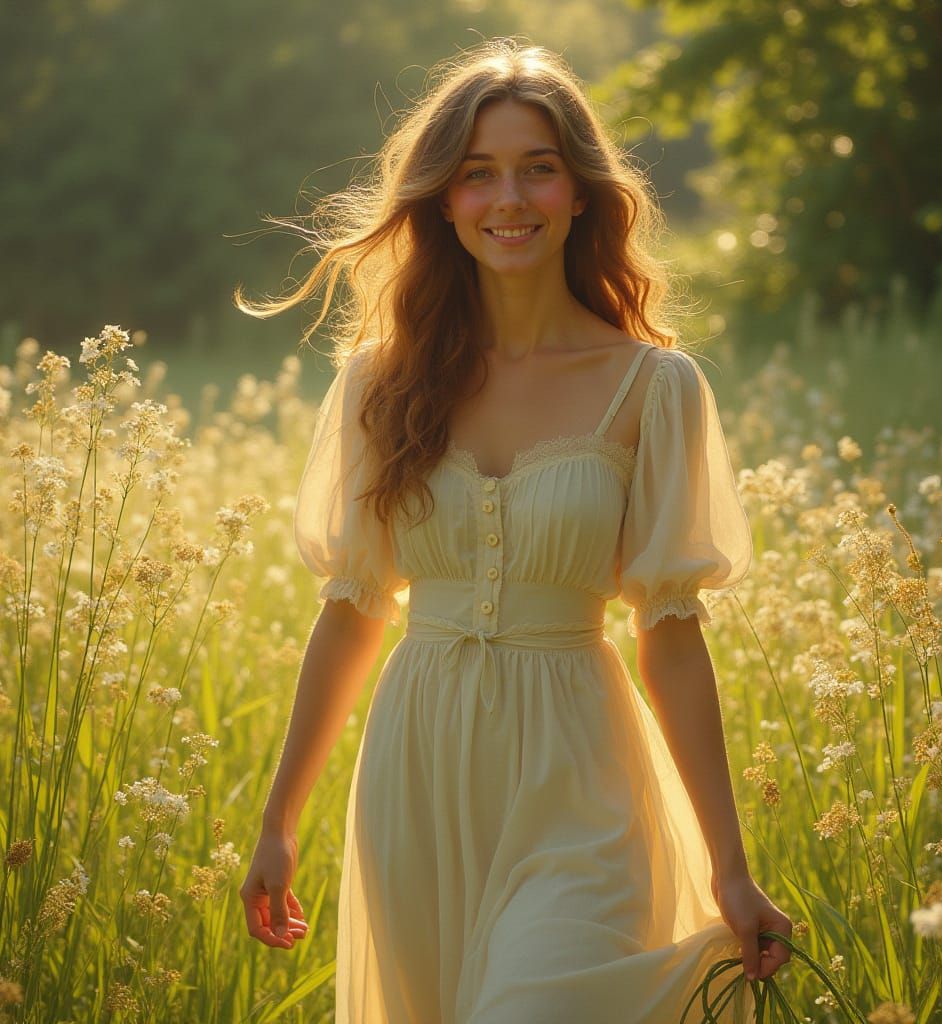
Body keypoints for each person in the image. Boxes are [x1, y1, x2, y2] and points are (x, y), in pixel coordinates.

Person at [236, 36, 792, 1023]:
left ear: (580, 193)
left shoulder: (653, 387)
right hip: (419, 770)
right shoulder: (379, 381)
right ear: (443, 201)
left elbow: (669, 635)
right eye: (478, 174)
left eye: (538, 170)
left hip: (577, 774)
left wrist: (730, 868)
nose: (509, 200)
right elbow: (354, 606)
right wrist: (278, 819)